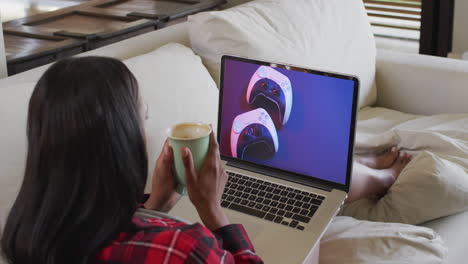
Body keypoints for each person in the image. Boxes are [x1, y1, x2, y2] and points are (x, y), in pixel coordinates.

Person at [0, 57, 263, 264]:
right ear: (122, 139)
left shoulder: (23, 234)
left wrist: (155, 206)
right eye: (143, 118)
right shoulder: (184, 249)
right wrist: (212, 210)